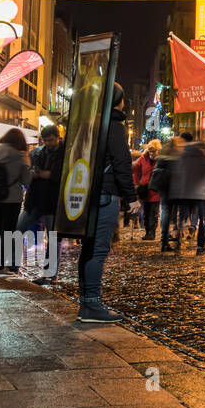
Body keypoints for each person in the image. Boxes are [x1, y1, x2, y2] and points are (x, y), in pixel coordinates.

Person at [77, 83, 135, 323]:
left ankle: (86, 303)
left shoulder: (86, 123)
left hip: (87, 193)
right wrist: (131, 197)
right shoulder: (113, 126)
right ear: (117, 101)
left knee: (88, 249)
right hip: (105, 194)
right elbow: (122, 163)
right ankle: (91, 305)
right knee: (98, 250)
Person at [0, 127, 31, 273]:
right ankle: (2, 266)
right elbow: (26, 180)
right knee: (7, 233)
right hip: (11, 199)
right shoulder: (21, 156)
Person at [20, 123, 65, 279]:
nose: (48, 143)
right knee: (17, 229)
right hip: (35, 200)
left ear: (58, 137)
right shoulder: (38, 152)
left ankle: (50, 274)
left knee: (53, 239)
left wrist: (49, 175)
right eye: (45, 140)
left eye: (51, 140)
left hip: (54, 202)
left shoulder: (66, 153)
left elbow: (65, 175)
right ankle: (10, 266)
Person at [170, 132, 205, 255]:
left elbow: (176, 172)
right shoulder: (200, 153)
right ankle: (200, 247)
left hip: (184, 191)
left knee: (183, 217)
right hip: (199, 192)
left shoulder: (182, 154)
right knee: (202, 218)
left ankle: (178, 239)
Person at [154, 135, 184, 252]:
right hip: (174, 186)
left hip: (163, 185)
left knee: (165, 211)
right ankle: (176, 238)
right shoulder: (177, 152)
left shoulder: (164, 150)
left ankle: (164, 238)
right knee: (177, 213)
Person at [131, 139, 160, 241]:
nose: (152, 153)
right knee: (146, 213)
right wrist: (135, 183)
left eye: (154, 151)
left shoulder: (160, 160)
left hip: (156, 190)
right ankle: (147, 231)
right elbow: (135, 169)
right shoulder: (143, 159)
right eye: (150, 151)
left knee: (153, 213)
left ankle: (152, 233)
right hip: (145, 190)